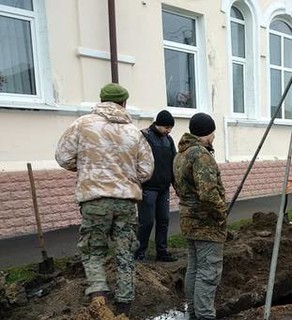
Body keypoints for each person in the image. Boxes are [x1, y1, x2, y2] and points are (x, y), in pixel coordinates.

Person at [55, 83, 154, 316]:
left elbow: (63, 157)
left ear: (101, 100)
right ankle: (124, 307)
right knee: (125, 252)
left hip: (95, 200)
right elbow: (146, 170)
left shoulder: (82, 125)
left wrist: (87, 168)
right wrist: (126, 176)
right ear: (124, 103)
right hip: (126, 202)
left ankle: (99, 301)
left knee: (93, 251)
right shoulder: (133, 132)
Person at [173, 112, 226, 320]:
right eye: (213, 132)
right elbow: (208, 193)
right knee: (209, 273)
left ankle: (194, 314)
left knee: (194, 268)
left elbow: (178, 186)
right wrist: (221, 214)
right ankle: (205, 315)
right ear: (207, 133)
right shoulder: (200, 155)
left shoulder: (181, 154)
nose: (214, 137)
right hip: (206, 223)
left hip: (188, 219)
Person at [135, 110, 178, 262]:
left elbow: (174, 162)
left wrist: (175, 183)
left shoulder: (169, 140)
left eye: (170, 128)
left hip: (163, 188)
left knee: (164, 219)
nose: (169, 130)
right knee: (146, 222)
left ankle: (162, 251)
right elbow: (137, 160)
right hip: (148, 187)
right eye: (166, 127)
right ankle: (139, 251)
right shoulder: (144, 136)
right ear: (158, 124)